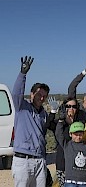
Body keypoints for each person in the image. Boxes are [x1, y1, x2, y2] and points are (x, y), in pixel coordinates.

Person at [12, 56, 49, 186]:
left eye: (44, 96)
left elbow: (42, 136)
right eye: (39, 94)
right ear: (31, 94)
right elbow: (16, 93)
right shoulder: (21, 107)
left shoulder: (44, 114)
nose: (42, 98)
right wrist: (23, 74)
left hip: (39, 160)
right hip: (23, 161)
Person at [51, 97, 86, 185]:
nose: (71, 109)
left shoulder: (80, 123)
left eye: (74, 106)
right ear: (64, 107)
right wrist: (54, 113)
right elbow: (49, 125)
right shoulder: (59, 123)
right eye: (68, 106)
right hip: (62, 163)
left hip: (78, 167)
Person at [55, 121, 86, 187]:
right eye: (76, 134)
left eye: (80, 134)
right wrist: (60, 122)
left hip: (84, 182)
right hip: (70, 181)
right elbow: (58, 134)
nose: (78, 137)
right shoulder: (67, 145)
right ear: (70, 134)